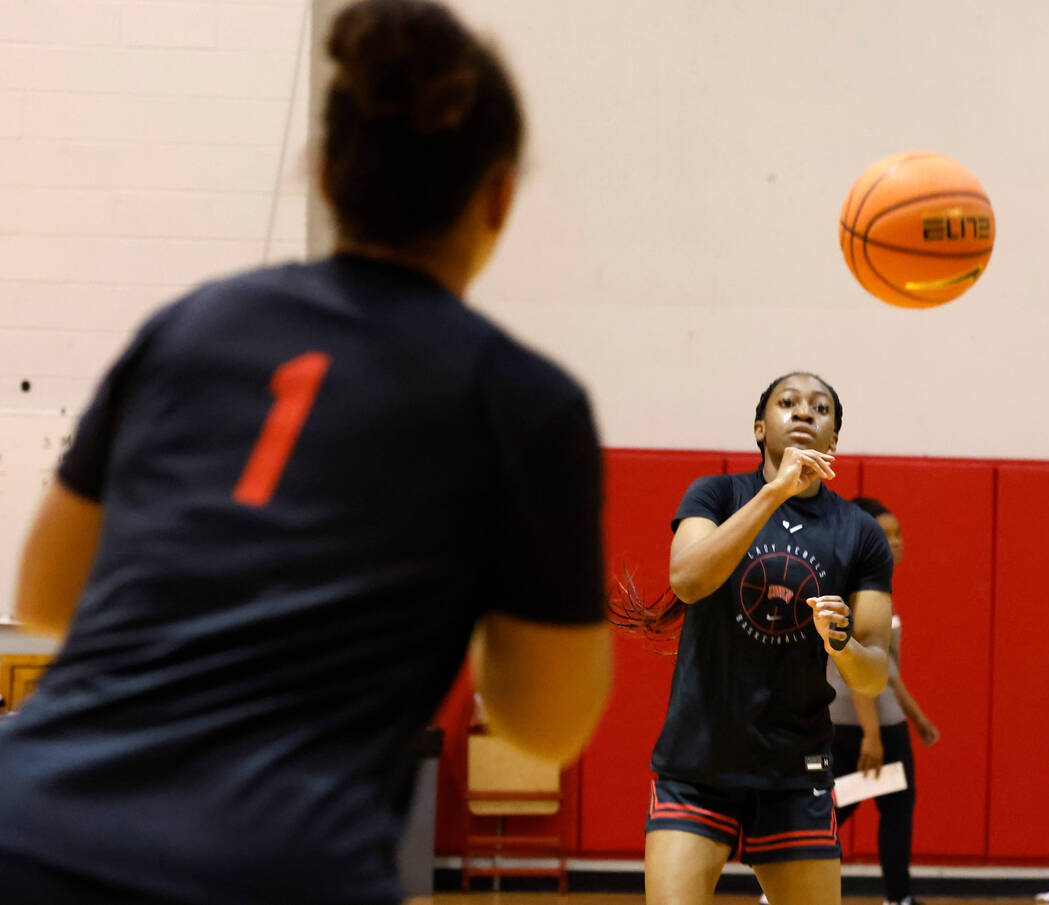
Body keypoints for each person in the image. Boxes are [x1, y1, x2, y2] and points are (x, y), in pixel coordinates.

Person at [0, 2, 612, 903]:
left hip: (28, 827)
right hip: (273, 864)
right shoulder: (525, 402)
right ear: (498, 197)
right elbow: (545, 723)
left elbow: (46, 594)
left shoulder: (189, 326)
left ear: (324, 176)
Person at [612, 372, 894, 905]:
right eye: (788, 403)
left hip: (796, 770)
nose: (805, 413)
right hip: (698, 764)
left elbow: (874, 673)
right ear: (760, 428)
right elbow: (687, 580)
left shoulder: (860, 532)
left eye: (821, 408)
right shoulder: (716, 494)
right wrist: (775, 494)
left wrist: (842, 644)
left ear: (834, 438)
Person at [826, 497, 939, 905]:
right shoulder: (860, 592)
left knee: (839, 805)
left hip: (866, 721)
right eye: (883, 535)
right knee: (885, 807)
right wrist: (872, 735)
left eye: (898, 533)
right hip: (869, 725)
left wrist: (916, 716)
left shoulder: (867, 586)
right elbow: (860, 674)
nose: (895, 542)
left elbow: (885, 670)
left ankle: (783, 886)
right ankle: (897, 898)